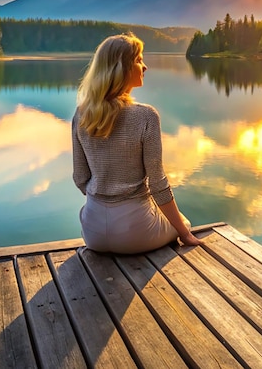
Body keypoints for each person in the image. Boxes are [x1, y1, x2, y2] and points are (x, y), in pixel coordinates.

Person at [72, 33, 201, 253]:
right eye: (139, 60)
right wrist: (185, 233)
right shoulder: (145, 116)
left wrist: (105, 201)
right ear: (121, 68)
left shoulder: (81, 115)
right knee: (184, 222)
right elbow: (158, 184)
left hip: (93, 232)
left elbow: (80, 179)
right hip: (135, 231)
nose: (145, 67)